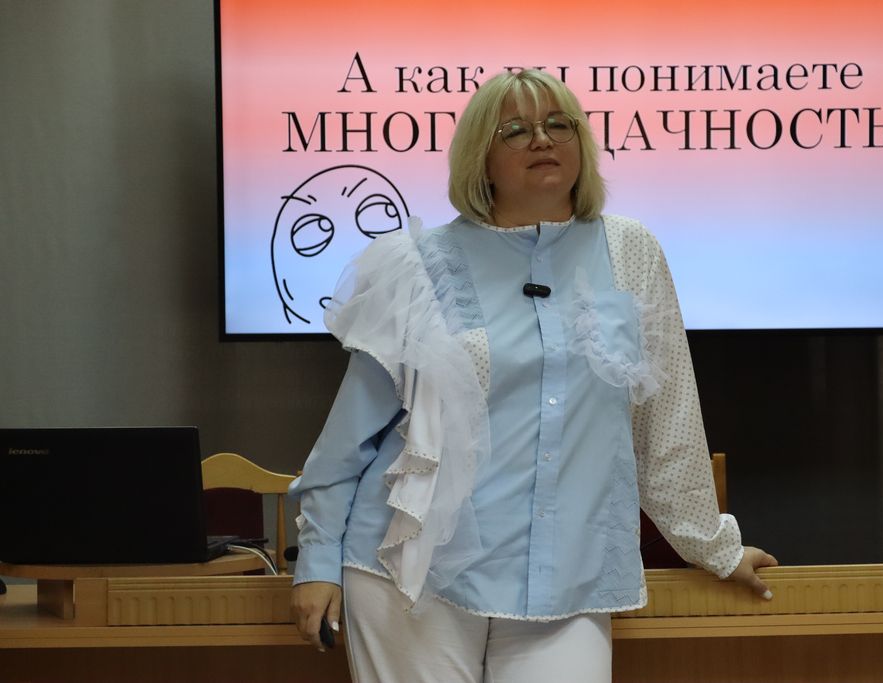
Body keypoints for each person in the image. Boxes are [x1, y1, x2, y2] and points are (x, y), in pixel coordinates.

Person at [290, 68, 777, 683]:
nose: (542, 139)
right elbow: (349, 438)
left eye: (558, 124)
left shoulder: (631, 251)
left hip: (569, 577)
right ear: (481, 160)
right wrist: (317, 561)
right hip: (412, 573)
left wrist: (715, 547)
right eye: (515, 130)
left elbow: (667, 420)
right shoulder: (417, 266)